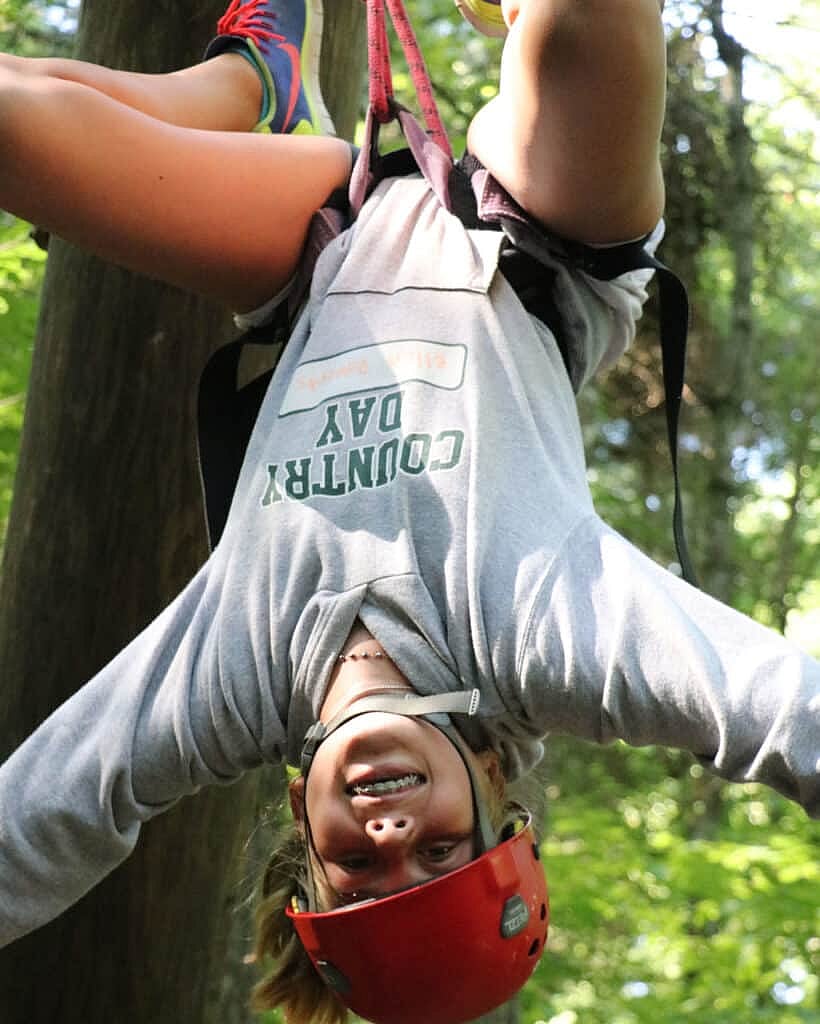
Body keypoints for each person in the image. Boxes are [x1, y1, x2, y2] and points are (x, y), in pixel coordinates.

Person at [0, 1, 817, 1023]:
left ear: (303, 829)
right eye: (439, 852)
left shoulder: (233, 680)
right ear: (491, 782)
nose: (391, 838)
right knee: (584, 22)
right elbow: (786, 714)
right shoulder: (543, 638)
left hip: (314, 249)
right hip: (537, 242)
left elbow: (35, 824)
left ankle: (246, 85)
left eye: (358, 870)